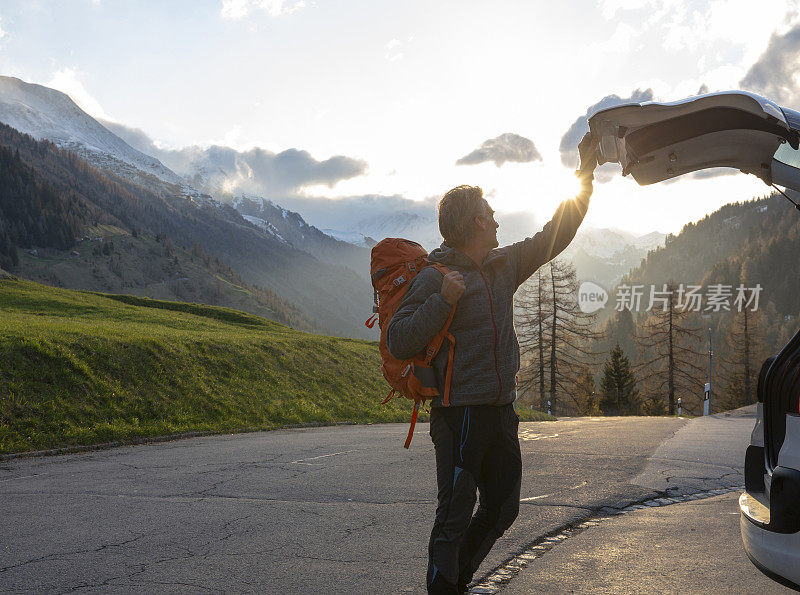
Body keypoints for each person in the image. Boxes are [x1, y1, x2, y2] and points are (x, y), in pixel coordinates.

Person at [386, 133, 598, 594]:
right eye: (491, 212)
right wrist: (443, 302)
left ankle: (456, 582)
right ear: (478, 222)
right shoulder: (435, 277)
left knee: (503, 509)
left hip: (500, 412)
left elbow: (556, 233)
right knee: (454, 514)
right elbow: (398, 339)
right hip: (458, 414)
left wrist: (586, 173)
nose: (498, 218)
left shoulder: (505, 265)